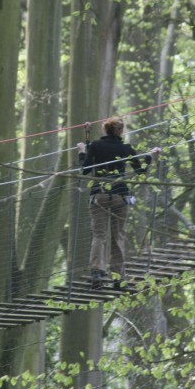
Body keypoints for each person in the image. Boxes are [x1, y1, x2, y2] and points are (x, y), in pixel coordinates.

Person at [77, 117, 162, 290]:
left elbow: (85, 170)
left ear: (105, 130)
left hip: (99, 195)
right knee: (118, 236)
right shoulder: (126, 148)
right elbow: (140, 171)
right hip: (120, 196)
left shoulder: (95, 146)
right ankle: (118, 277)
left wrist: (82, 151)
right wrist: (150, 155)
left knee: (99, 235)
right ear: (120, 131)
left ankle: (96, 273)